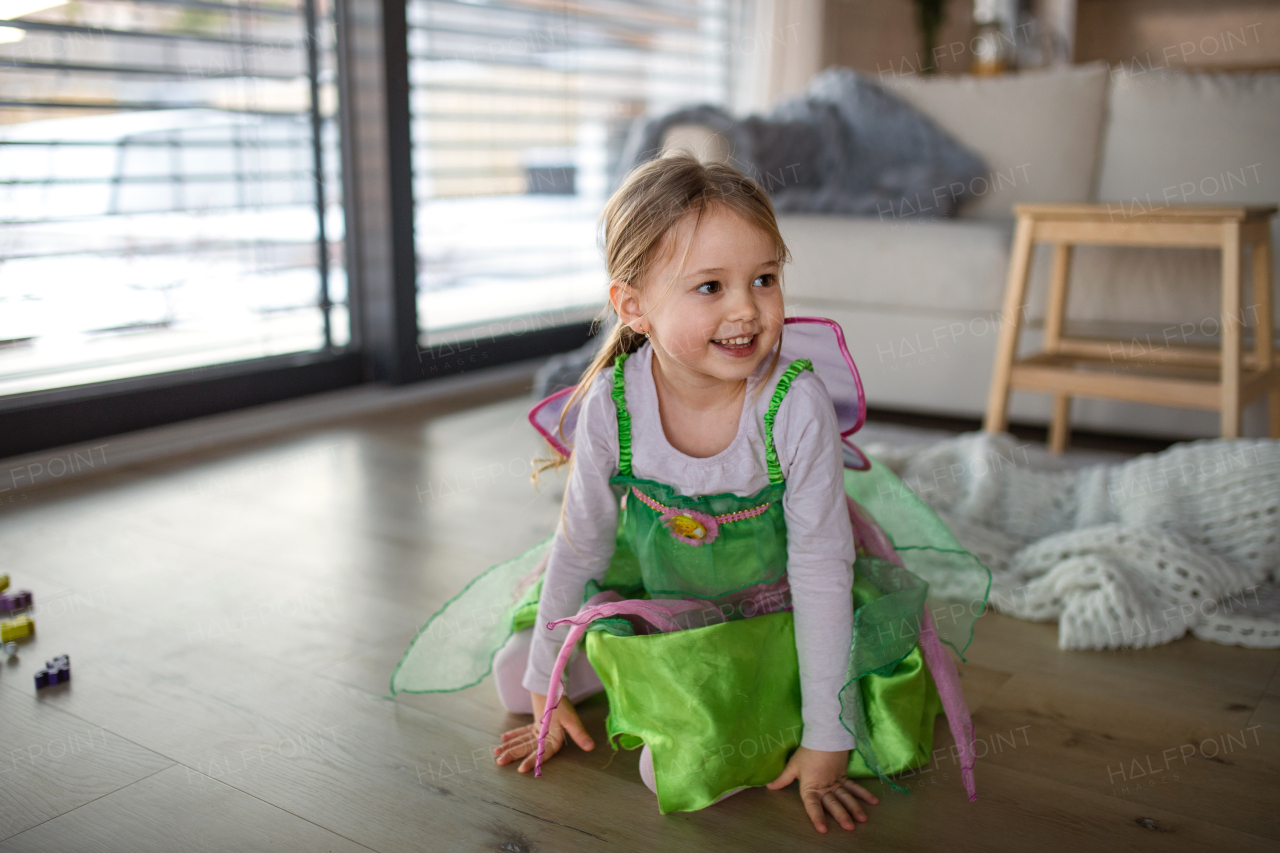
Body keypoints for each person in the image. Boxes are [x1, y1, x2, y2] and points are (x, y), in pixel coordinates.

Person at [391, 154, 987, 832]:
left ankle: (718, 704)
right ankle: (628, 682)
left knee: (672, 766)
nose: (746, 308)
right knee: (516, 675)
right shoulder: (611, 407)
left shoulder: (794, 404)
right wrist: (543, 685)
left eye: (764, 278)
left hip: (774, 608)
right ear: (633, 305)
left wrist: (831, 732)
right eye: (710, 286)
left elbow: (822, 572)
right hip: (663, 589)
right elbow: (582, 542)